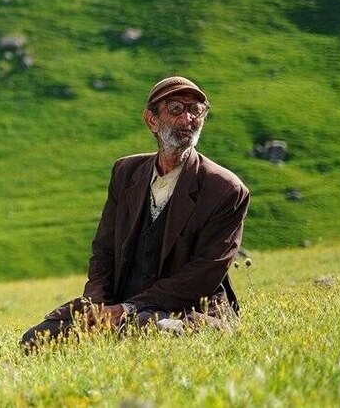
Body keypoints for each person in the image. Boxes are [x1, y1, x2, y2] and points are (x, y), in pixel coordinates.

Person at [20, 76, 250, 351]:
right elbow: (104, 251)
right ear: (151, 120)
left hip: (187, 308)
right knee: (36, 339)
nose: (188, 119)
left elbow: (204, 274)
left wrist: (129, 308)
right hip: (119, 304)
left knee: (146, 329)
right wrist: (99, 307)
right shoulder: (125, 173)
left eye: (197, 110)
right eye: (176, 109)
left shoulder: (225, 189)